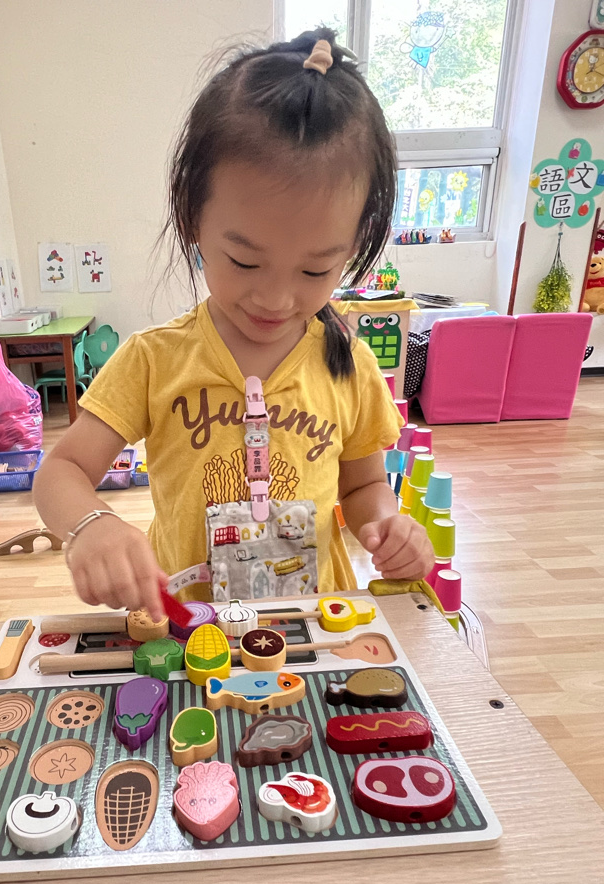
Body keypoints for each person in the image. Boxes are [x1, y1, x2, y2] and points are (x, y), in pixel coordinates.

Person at [34, 28, 434, 621]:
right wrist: (91, 524)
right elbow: (60, 470)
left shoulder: (349, 365)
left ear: (355, 245)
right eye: (244, 261)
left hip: (315, 626)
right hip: (191, 633)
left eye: (315, 270)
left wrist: (388, 525)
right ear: (192, 216)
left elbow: (362, 487)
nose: (275, 298)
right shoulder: (154, 360)